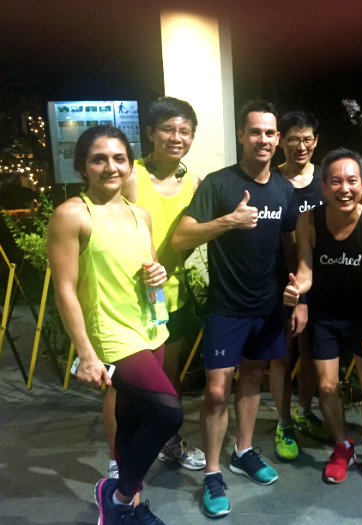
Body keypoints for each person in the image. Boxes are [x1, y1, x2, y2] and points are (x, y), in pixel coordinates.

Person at [48, 125, 183, 524]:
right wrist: (86, 354)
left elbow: (149, 267)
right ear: (82, 167)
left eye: (119, 158)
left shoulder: (139, 214)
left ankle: (129, 508)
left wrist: (158, 274)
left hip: (151, 328)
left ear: (130, 164)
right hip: (112, 335)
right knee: (168, 413)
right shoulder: (72, 214)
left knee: (132, 420)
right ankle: (119, 495)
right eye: (99, 159)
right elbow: (65, 290)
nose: (111, 167)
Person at [172, 100, 298, 518]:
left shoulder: (283, 189)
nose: (263, 139)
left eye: (270, 133)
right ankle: (212, 473)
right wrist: (229, 221)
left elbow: (290, 245)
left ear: (278, 140)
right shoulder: (218, 184)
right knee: (215, 391)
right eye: (255, 131)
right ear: (241, 135)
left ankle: (243, 452)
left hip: (267, 307)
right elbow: (181, 237)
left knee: (253, 379)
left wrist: (297, 288)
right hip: (226, 307)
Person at [101, 97, 204, 481]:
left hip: (170, 294)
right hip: (129, 298)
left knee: (169, 373)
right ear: (150, 133)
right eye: (168, 129)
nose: (177, 137)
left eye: (184, 131)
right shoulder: (132, 176)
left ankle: (169, 442)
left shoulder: (193, 183)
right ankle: (118, 459)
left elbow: (187, 236)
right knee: (122, 383)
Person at [283, 148, 362, 494]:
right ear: (323, 187)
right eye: (335, 181)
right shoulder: (308, 221)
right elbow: (305, 270)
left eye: (351, 181)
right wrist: (297, 291)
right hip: (325, 317)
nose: (343, 188)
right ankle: (342, 445)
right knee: (328, 386)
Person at [270, 110, 331, 457]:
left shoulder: (326, 180)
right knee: (282, 354)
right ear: (281, 141)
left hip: (320, 281)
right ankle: (283, 424)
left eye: (307, 139)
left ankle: (304, 413)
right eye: (293, 139)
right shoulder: (271, 180)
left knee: (311, 352)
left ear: (316, 141)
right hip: (278, 282)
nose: (301, 146)